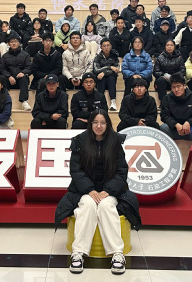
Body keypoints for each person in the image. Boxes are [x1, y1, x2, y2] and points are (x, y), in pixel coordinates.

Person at [54, 110, 140, 275]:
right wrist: (90, 190)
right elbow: (76, 170)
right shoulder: (80, 141)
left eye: (102, 123)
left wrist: (108, 190)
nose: (99, 126)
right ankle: (78, 253)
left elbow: (122, 171)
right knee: (87, 205)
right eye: (95, 122)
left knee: (106, 206)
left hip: (110, 191)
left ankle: (117, 253)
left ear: (107, 124)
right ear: (90, 123)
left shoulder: (115, 141)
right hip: (85, 190)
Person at [160, 75, 192, 141]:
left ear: (184, 86)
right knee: (164, 127)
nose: (176, 90)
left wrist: (188, 122)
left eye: (178, 86)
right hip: (174, 129)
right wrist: (175, 124)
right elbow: (164, 116)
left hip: (189, 129)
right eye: (173, 87)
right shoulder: (166, 98)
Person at [0, 36, 32, 111]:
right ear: (8, 44)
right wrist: (9, 76)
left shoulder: (25, 55)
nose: (14, 43)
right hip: (9, 79)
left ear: (19, 43)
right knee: (1, 79)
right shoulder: (5, 56)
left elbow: (29, 68)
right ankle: (2, 101)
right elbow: (2, 69)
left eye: (16, 41)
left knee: (24, 78)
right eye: (11, 42)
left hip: (20, 79)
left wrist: (23, 72)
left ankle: (24, 101)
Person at [93, 39, 121, 111]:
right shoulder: (97, 57)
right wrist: (110, 67)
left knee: (110, 78)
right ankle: (99, 102)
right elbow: (96, 70)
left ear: (111, 46)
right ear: (101, 47)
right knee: (101, 78)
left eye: (108, 45)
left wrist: (104, 73)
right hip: (100, 81)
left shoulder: (115, 56)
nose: (106, 47)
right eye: (104, 46)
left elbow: (116, 70)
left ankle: (113, 102)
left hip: (111, 81)